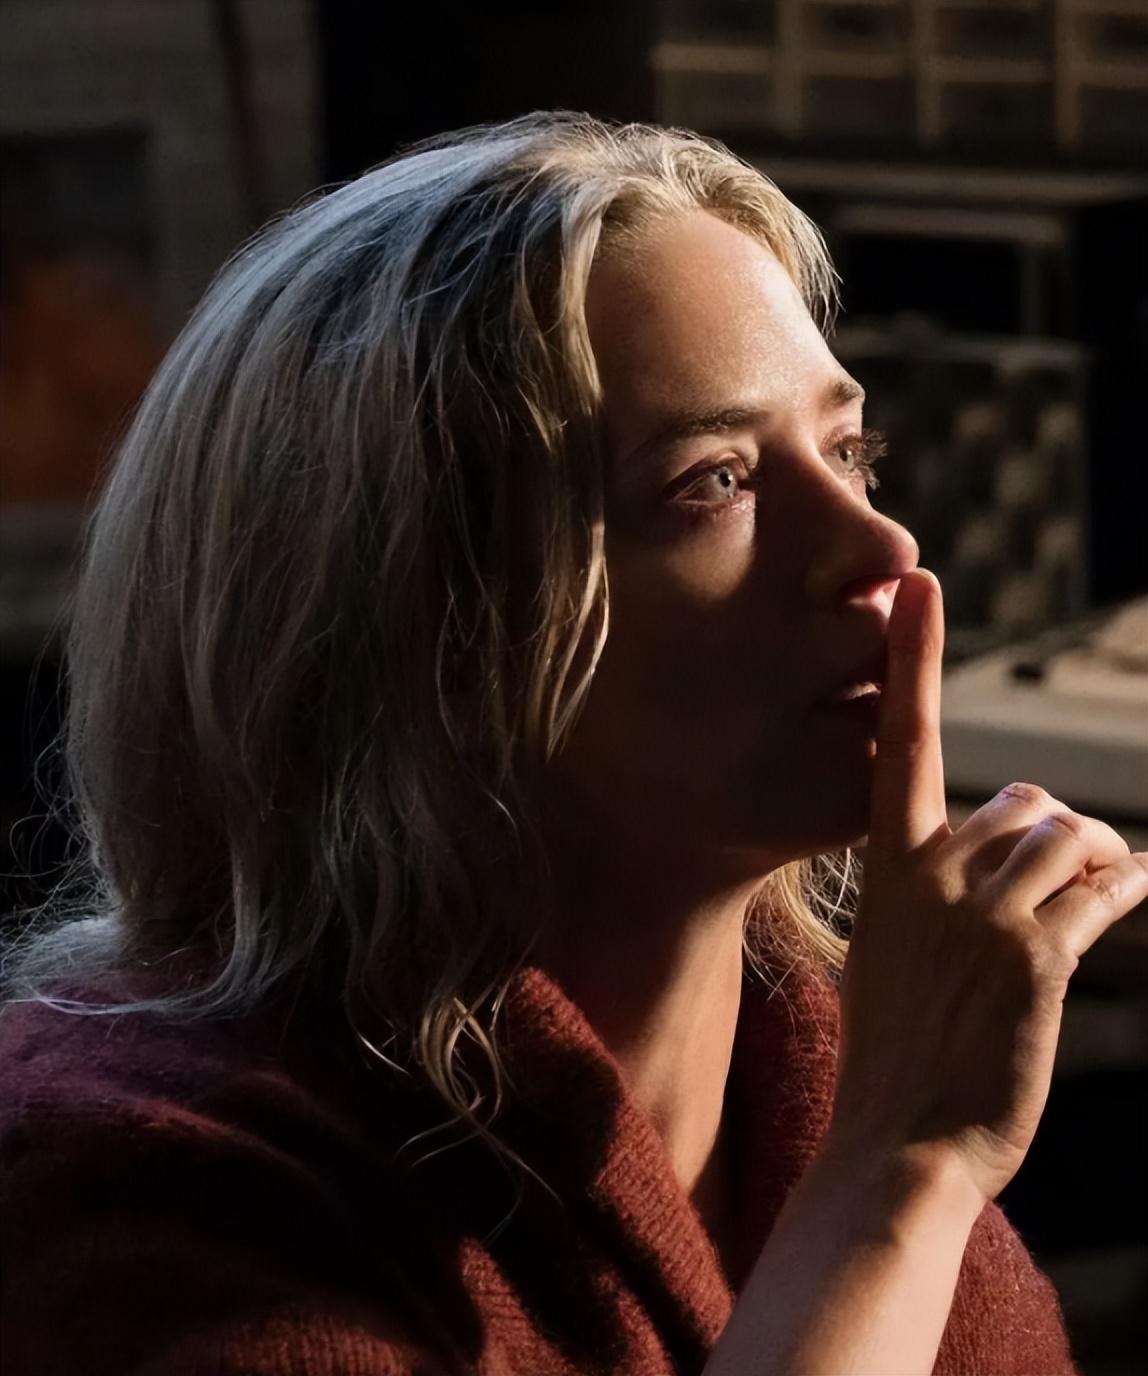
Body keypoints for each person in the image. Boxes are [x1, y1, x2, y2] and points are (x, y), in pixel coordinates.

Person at [1, 112, 1144, 1376]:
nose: (879, 546)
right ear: (423, 622)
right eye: (712, 481)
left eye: (847, 450)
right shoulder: (140, 1192)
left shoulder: (820, 1097)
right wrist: (898, 1172)